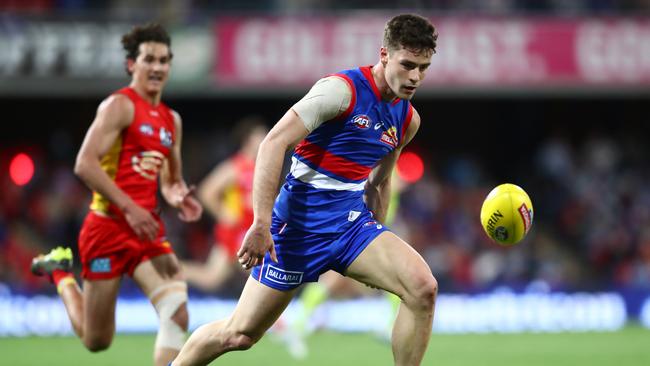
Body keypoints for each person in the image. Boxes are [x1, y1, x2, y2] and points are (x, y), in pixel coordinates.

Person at [172, 13, 438, 366]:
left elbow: (380, 181)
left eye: (423, 67)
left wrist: (377, 237)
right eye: (408, 64)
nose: (416, 76)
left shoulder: (407, 120)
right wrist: (261, 224)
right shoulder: (339, 91)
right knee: (239, 334)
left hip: (350, 225)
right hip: (296, 228)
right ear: (385, 55)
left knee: (423, 289)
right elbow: (272, 144)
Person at [30, 23, 202, 366]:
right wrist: (129, 207)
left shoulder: (172, 121)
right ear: (131, 65)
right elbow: (84, 164)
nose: (157, 67)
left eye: (164, 60)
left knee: (176, 311)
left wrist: (179, 195)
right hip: (107, 228)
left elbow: (169, 179)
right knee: (97, 340)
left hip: (145, 229)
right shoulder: (119, 107)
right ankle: (61, 274)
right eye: (149, 59)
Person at [182, 118, 268, 293]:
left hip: (246, 230)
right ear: (248, 141)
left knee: (211, 277)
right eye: (261, 136)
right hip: (236, 232)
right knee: (262, 276)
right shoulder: (235, 166)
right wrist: (223, 214)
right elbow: (206, 191)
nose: (265, 140)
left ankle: (170, 269)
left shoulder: (258, 166)